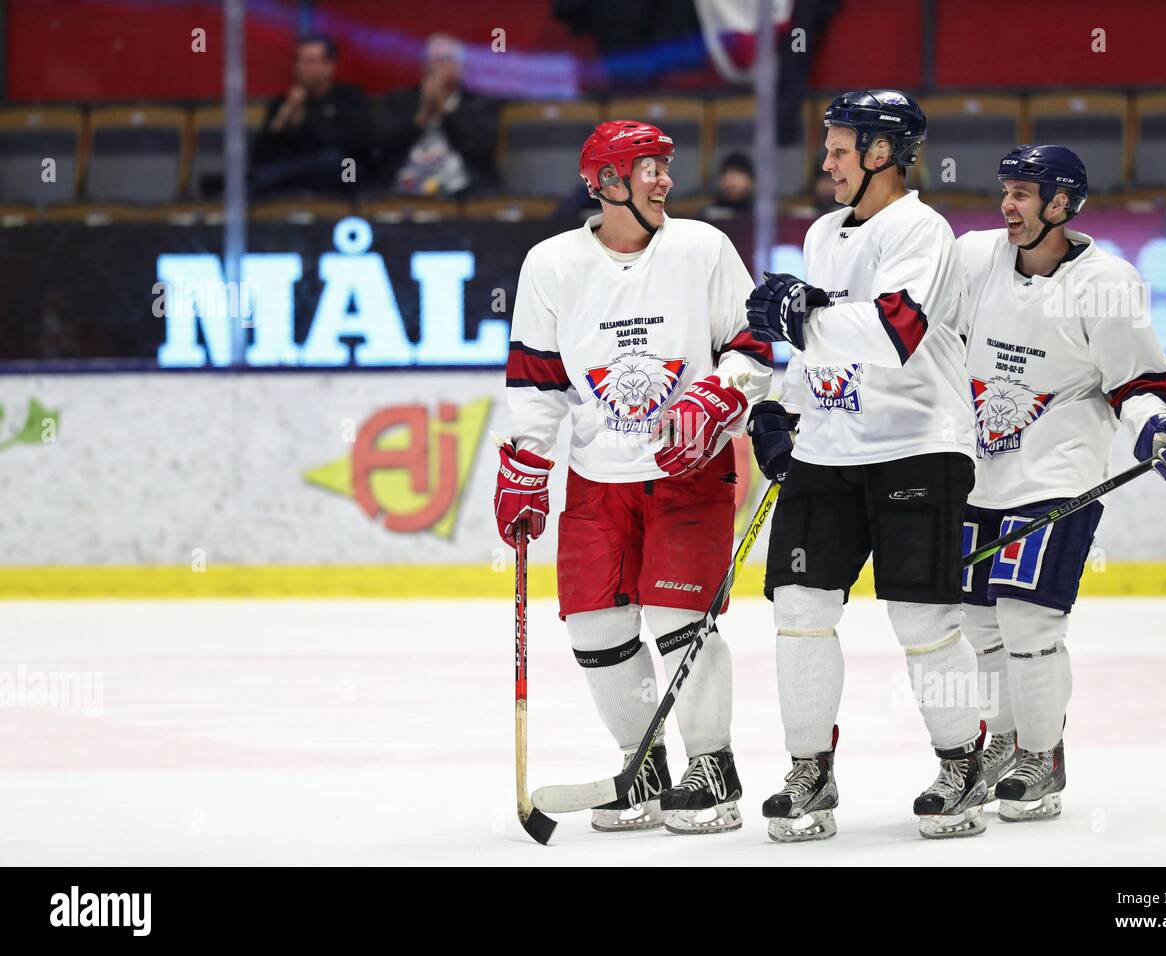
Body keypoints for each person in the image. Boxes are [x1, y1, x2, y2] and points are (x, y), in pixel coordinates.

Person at [495, 120, 773, 834]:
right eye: (649, 168)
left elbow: (754, 343)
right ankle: (640, 765)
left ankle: (711, 767)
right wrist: (526, 465)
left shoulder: (702, 248)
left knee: (681, 620)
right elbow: (537, 381)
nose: (665, 181)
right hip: (596, 479)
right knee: (595, 623)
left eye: (664, 167)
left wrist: (722, 394)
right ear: (607, 183)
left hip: (689, 473)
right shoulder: (551, 264)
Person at [743, 89, 985, 842]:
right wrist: (783, 406)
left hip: (918, 442)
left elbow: (894, 332)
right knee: (799, 609)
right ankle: (810, 770)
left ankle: (960, 763)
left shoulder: (922, 230)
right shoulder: (822, 233)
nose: (828, 162)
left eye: (841, 149)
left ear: (882, 153)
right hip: (831, 446)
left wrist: (800, 316)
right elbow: (822, 341)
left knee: (919, 615)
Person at [956, 144, 1166, 821]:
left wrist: (1159, 428)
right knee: (979, 622)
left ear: (1063, 204)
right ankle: (1003, 743)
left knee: (1028, 619)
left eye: (1024, 194)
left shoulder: (1107, 280)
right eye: (1006, 190)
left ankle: (1043, 754)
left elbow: (1138, 381)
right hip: (977, 474)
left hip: (1057, 473)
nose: (1008, 205)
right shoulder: (976, 259)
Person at [374, 34, 501, 197]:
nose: (434, 67)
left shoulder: (478, 104)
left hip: (461, 188)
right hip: (405, 184)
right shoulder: (400, 100)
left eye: (443, 60)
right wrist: (422, 116)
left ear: (458, 67)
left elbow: (481, 151)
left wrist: (443, 107)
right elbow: (382, 147)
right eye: (430, 60)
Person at [250, 35, 372, 196]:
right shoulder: (284, 102)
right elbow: (260, 156)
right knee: (258, 177)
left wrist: (305, 121)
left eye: (310, 61)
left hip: (340, 173)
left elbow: (352, 143)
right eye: (299, 61)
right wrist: (283, 118)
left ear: (329, 66)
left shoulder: (348, 97)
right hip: (292, 178)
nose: (302, 67)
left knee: (333, 161)